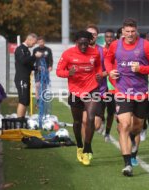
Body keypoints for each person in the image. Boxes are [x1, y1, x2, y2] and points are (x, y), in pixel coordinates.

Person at [104, 18, 149, 176]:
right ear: (122, 31)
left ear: (136, 31)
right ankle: (127, 163)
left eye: (132, 31)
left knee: (136, 127)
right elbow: (107, 60)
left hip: (141, 93)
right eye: (127, 31)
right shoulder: (116, 45)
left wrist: (141, 68)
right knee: (124, 124)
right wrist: (110, 71)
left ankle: (133, 137)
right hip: (122, 91)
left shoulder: (146, 45)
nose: (129, 34)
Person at [56, 31, 101, 166]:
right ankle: (79, 145)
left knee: (91, 118)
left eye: (85, 44)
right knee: (77, 122)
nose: (83, 46)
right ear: (76, 42)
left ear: (89, 42)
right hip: (75, 91)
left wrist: (98, 75)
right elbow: (59, 71)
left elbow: (98, 66)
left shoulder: (94, 53)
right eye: (80, 44)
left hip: (92, 88)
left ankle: (88, 146)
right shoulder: (68, 54)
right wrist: (68, 73)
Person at [14, 33, 43, 118]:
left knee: (26, 101)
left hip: (26, 78)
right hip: (21, 78)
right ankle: (19, 121)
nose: (34, 45)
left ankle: (22, 119)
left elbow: (28, 65)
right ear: (29, 39)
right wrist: (34, 56)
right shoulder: (20, 49)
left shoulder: (27, 50)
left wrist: (36, 68)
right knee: (23, 100)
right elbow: (23, 61)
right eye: (33, 43)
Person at [95, 28, 116, 142]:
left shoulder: (117, 51)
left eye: (111, 37)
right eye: (107, 37)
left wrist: (106, 73)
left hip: (113, 86)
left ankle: (107, 132)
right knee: (100, 109)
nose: (109, 39)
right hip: (102, 86)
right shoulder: (101, 51)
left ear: (114, 38)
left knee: (111, 112)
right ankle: (101, 121)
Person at [33, 37, 53, 105]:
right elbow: (33, 59)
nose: (41, 43)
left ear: (44, 42)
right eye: (39, 42)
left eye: (42, 42)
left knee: (44, 86)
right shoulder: (35, 50)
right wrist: (35, 67)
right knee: (37, 85)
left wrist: (50, 66)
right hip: (37, 70)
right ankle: (37, 100)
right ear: (38, 43)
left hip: (45, 71)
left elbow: (50, 59)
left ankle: (43, 100)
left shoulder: (48, 50)